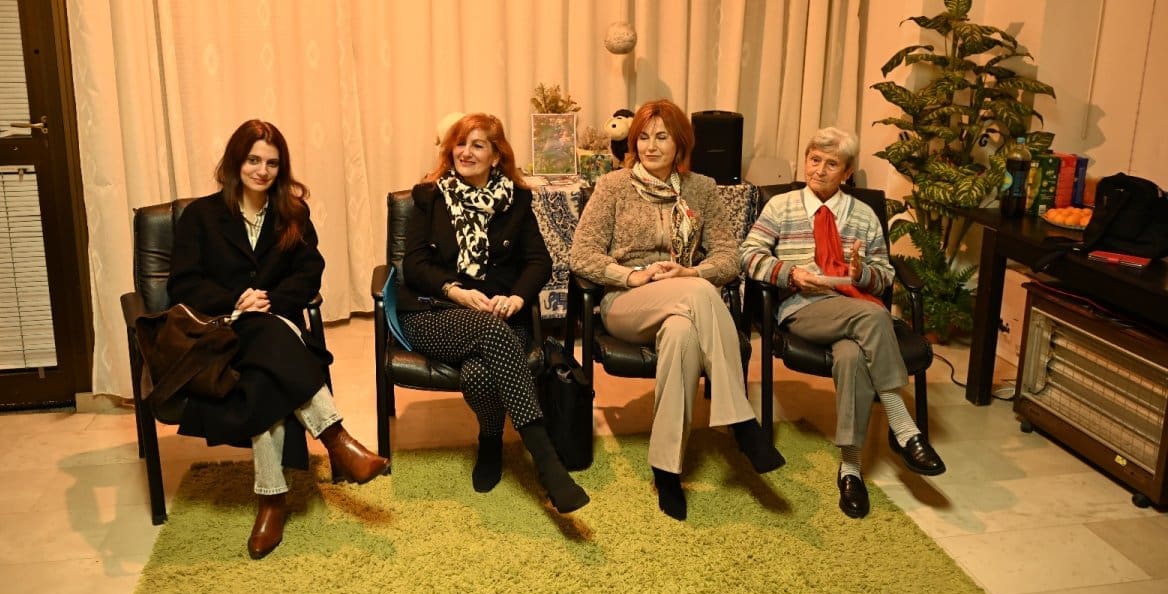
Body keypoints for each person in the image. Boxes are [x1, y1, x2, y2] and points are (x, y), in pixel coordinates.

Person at [168, 119, 388, 559]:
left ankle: (272, 500)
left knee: (263, 380)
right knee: (268, 344)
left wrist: (269, 301)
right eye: (253, 160)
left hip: (273, 328)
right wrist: (237, 301)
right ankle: (337, 439)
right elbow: (184, 284)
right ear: (236, 162)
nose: (262, 171)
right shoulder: (201, 217)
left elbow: (309, 272)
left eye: (271, 163)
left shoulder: (293, 213)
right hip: (220, 333)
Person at [569, 99, 783, 521]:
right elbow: (582, 255)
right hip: (626, 302)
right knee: (699, 294)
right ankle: (741, 422)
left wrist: (690, 271)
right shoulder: (613, 186)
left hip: (683, 301)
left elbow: (729, 258)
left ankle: (666, 469)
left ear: (680, 143)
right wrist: (631, 276)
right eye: (643, 138)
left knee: (683, 331)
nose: (650, 146)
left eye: (662, 137)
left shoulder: (701, 188)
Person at [738, 126, 946, 519]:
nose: (818, 170)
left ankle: (850, 468)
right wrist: (791, 274)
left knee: (851, 355)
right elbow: (748, 254)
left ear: (847, 172)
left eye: (831, 164)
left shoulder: (863, 215)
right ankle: (904, 427)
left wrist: (862, 273)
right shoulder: (781, 207)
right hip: (804, 307)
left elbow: (884, 276)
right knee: (875, 315)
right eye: (814, 159)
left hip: (852, 305)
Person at [397, 113, 589, 514]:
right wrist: (455, 290)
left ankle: (490, 440)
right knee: (488, 331)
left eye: (477, 145)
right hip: (435, 313)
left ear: (496, 156)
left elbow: (539, 261)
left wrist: (516, 298)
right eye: (460, 143)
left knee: (479, 374)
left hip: (500, 315)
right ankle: (548, 463)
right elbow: (413, 265)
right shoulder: (429, 196)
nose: (465, 152)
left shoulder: (516, 201)